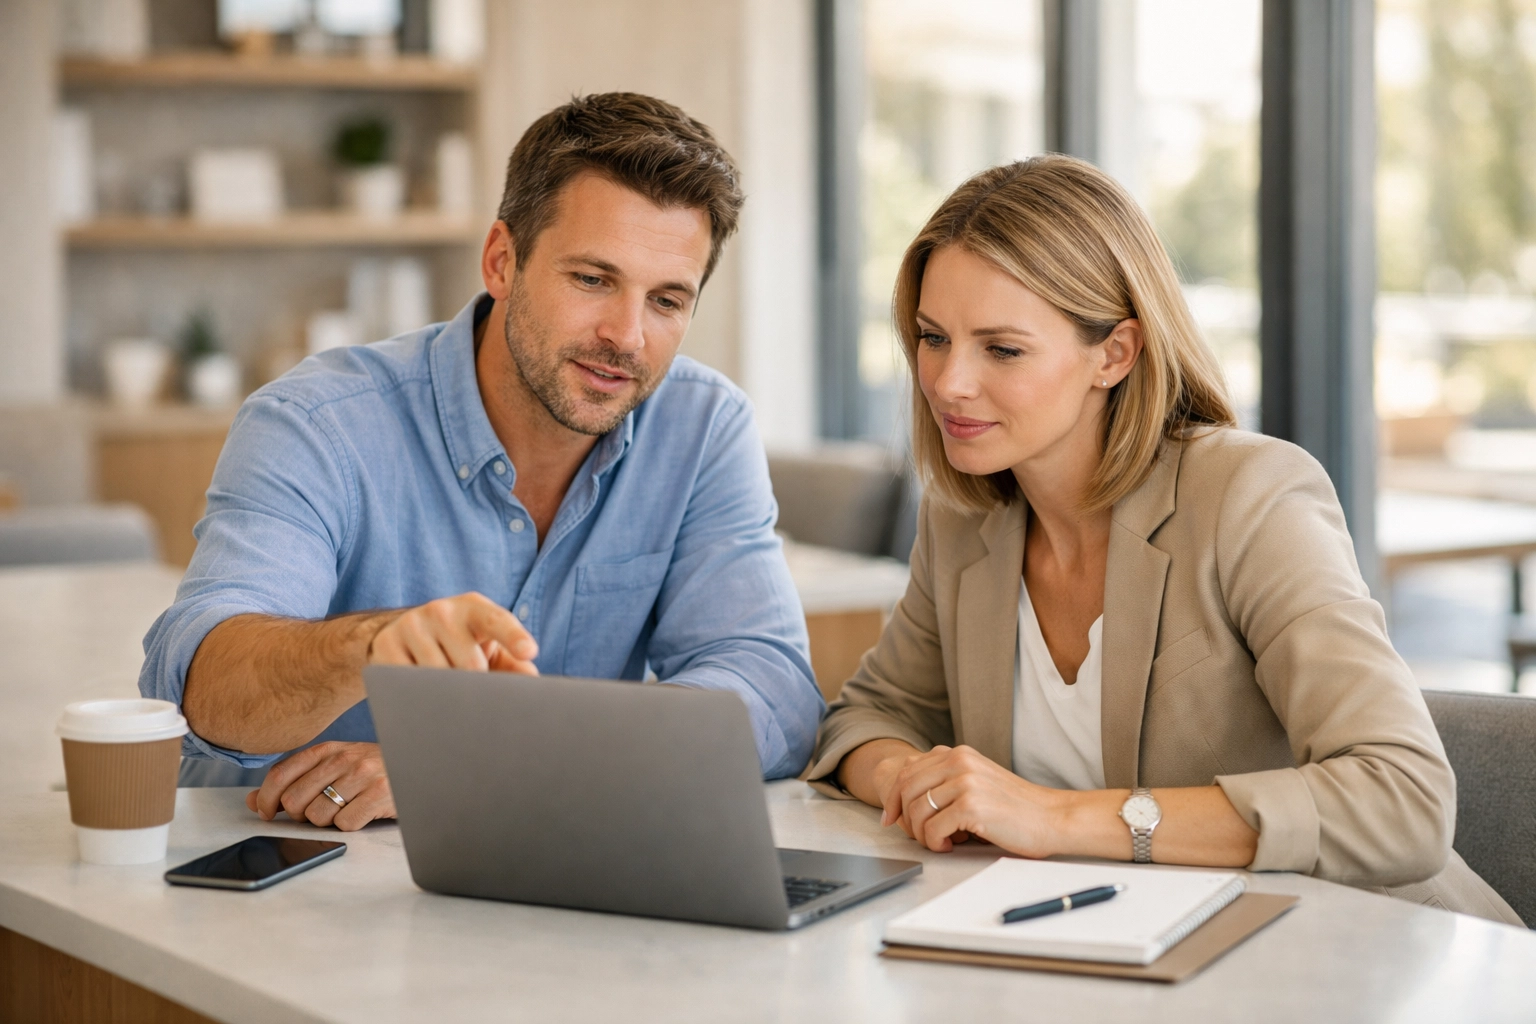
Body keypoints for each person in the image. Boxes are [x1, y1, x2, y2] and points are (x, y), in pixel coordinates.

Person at [804, 155, 1522, 925]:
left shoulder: (1248, 496)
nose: (947, 382)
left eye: (1002, 349)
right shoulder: (963, 518)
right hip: (1127, 946)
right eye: (933, 337)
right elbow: (863, 720)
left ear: (1115, 353)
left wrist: (1054, 817)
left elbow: (1403, 799)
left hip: (1368, 946)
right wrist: (919, 783)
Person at [140, 93, 823, 831]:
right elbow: (200, 692)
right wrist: (370, 646)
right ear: (502, 261)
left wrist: (486, 765)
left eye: (666, 300)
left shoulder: (702, 426)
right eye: (592, 279)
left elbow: (775, 694)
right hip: (288, 865)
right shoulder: (315, 424)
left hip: (547, 868)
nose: (627, 336)